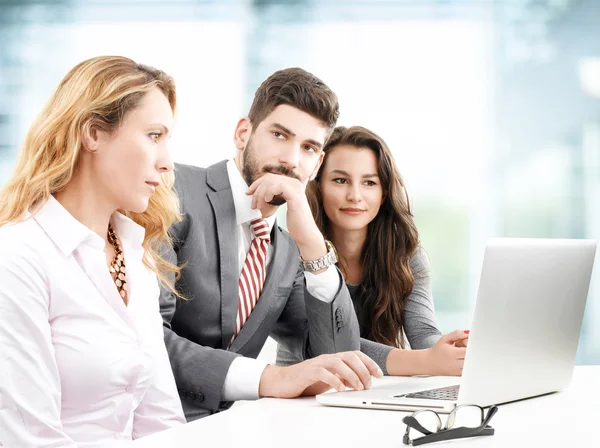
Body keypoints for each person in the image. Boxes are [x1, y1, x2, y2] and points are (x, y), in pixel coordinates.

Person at [160, 68, 382, 422]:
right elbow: (148, 338)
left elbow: (338, 358)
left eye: (309, 148)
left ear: (318, 163)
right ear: (243, 133)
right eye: (280, 135)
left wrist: (313, 246)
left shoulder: (288, 251)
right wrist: (270, 378)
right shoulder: (173, 191)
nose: (291, 160)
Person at [0, 56, 185, 447]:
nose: (167, 162)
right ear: (94, 133)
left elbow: (162, 420)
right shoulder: (18, 258)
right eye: (154, 135)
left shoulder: (136, 257)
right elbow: (30, 438)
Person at [277, 126, 469, 376]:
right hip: (301, 400)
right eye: (340, 180)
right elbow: (328, 348)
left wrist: (453, 351)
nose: (355, 195)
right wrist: (427, 361)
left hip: (378, 394)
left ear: (384, 193)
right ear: (318, 186)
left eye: (369, 182)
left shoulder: (407, 257)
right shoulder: (287, 256)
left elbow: (423, 334)